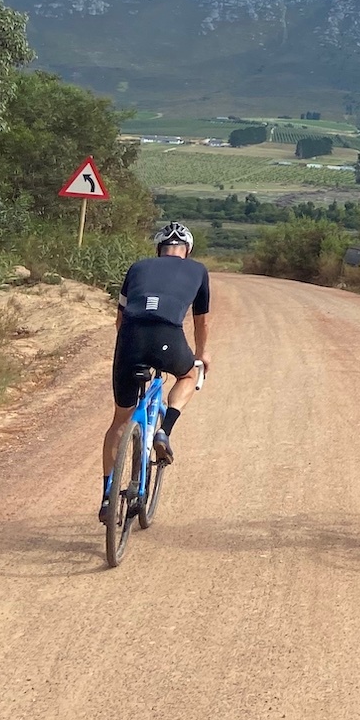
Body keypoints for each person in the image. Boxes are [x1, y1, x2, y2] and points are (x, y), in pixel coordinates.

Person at [99, 221, 213, 522]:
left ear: (158, 249)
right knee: (189, 374)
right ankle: (165, 430)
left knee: (119, 421)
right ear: (187, 250)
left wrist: (128, 351)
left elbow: (120, 320)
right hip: (168, 337)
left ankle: (108, 496)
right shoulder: (198, 270)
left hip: (131, 338)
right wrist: (202, 354)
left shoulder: (137, 267)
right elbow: (201, 322)